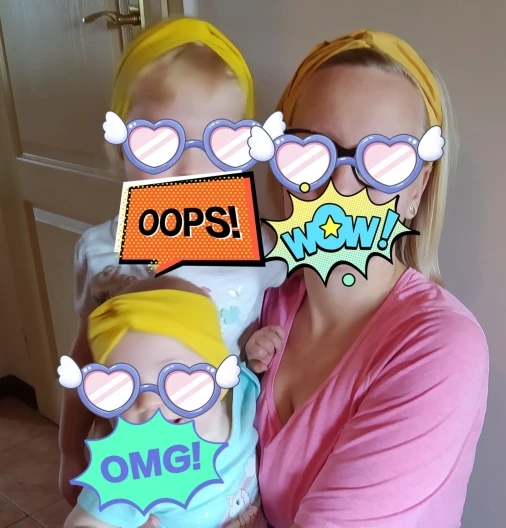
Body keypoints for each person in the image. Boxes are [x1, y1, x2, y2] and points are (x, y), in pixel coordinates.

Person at [245, 29, 489, 527]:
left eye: (385, 162)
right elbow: (133, 228)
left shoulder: (442, 347)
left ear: (418, 188)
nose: (341, 185)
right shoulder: (257, 297)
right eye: (310, 152)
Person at [59, 17, 286, 507]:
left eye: (220, 146)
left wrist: (256, 345)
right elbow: (85, 355)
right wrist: (68, 451)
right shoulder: (101, 251)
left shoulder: (260, 245)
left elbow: (268, 328)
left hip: (227, 480)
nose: (189, 169)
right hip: (130, 473)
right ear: (120, 147)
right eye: (159, 143)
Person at [64, 276, 264, 527]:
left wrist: (261, 348)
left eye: (174, 375)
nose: (147, 400)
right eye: (122, 388)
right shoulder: (134, 465)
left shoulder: (242, 392)